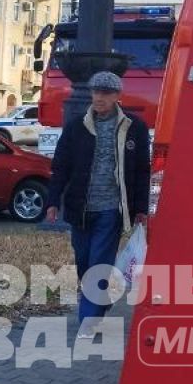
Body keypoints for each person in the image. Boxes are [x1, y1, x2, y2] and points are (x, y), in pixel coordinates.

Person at [45, 71, 151, 334]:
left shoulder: (133, 127)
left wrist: (140, 207)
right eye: (96, 92)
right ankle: (98, 303)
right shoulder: (77, 126)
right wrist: (52, 201)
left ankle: (88, 321)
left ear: (117, 96)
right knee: (83, 262)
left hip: (111, 209)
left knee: (99, 263)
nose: (99, 98)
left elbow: (141, 169)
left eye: (106, 93)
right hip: (80, 207)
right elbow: (61, 166)